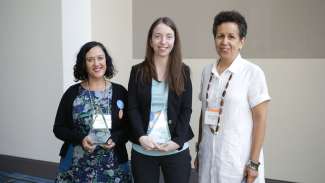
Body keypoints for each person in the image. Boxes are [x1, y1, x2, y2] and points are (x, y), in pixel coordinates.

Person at [195, 11, 271, 183]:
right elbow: (204, 112)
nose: (225, 42)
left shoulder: (252, 73)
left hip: (237, 163)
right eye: (220, 36)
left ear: (242, 41)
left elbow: (260, 120)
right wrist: (199, 150)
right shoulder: (207, 71)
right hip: (208, 159)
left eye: (231, 37)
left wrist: (254, 163)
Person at [53, 41, 132, 182]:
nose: (96, 63)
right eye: (90, 59)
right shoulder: (72, 93)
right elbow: (58, 128)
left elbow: (130, 128)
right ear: (84, 64)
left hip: (113, 169)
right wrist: (80, 139)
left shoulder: (120, 92)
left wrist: (115, 138)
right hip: (77, 168)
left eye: (100, 58)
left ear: (106, 61)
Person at [127, 17, 193, 183]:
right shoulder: (137, 71)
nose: (163, 41)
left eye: (169, 36)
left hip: (175, 150)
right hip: (143, 150)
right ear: (150, 41)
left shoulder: (183, 72)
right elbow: (132, 108)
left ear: (174, 40)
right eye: (157, 36)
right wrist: (141, 136)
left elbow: (186, 109)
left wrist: (177, 141)